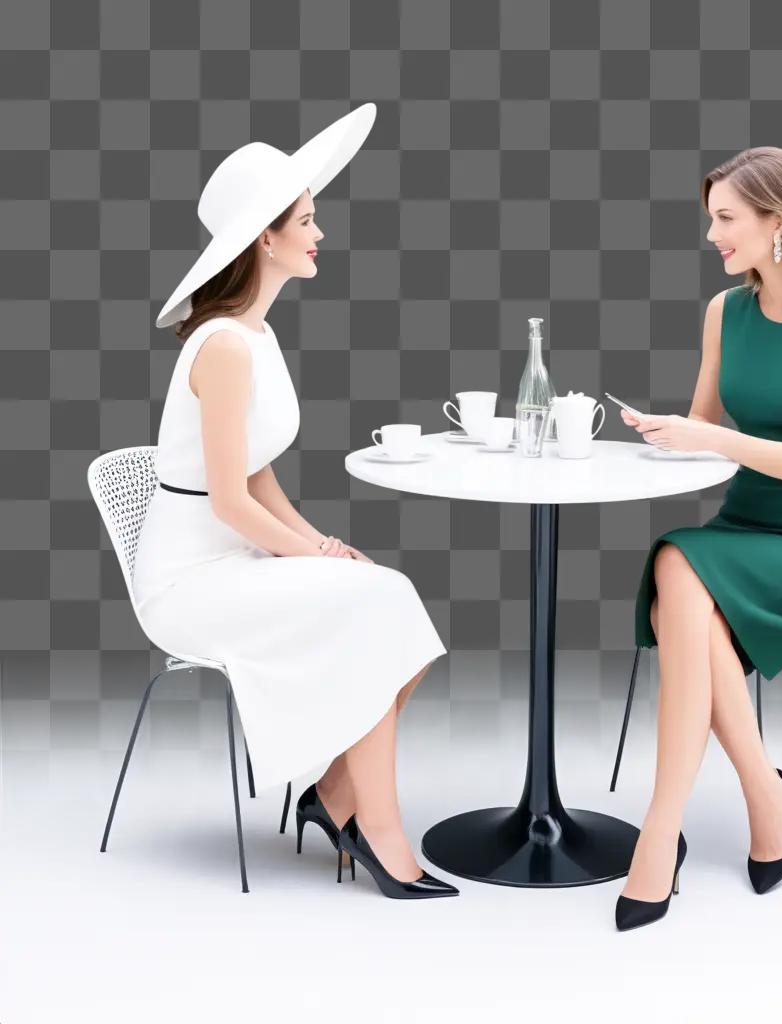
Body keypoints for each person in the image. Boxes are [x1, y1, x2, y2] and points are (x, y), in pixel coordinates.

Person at [133, 103, 458, 900]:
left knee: (386, 598)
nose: (321, 234)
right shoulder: (223, 346)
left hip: (233, 553)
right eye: (307, 221)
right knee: (376, 607)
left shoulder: (256, 336)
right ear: (264, 240)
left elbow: (257, 471)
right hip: (187, 581)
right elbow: (225, 499)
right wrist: (309, 553)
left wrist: (322, 541)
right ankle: (373, 830)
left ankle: (337, 799)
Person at [615, 147, 782, 931]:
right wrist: (662, 434)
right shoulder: (724, 312)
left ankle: (659, 836)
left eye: (726, 219)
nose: (711, 235)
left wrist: (713, 440)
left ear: (780, 224)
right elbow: (702, 430)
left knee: (674, 572)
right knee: (680, 594)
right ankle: (764, 792)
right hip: (743, 531)